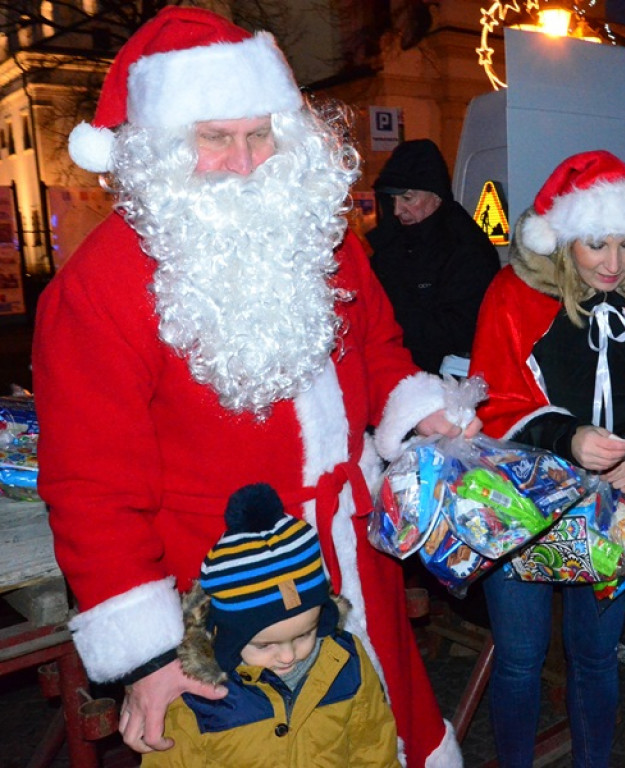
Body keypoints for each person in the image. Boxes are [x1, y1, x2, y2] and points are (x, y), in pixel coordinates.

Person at [33, 8, 468, 766]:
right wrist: (148, 655)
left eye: (260, 133)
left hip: (351, 552)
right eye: (214, 138)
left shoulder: (317, 232)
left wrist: (418, 410)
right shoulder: (99, 287)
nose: (245, 161)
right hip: (225, 593)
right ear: (162, 148)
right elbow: (91, 487)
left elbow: (377, 345)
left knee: (380, 734)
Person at [468, 150, 625, 766]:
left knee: (596, 655)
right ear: (565, 236)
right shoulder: (513, 295)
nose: (614, 263)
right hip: (521, 500)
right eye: (596, 245)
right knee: (521, 659)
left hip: (612, 507)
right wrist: (566, 437)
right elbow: (491, 402)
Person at [143, 483, 399, 767]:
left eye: (305, 634)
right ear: (228, 636)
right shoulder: (197, 697)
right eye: (265, 645)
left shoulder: (347, 665)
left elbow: (373, 748)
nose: (289, 655)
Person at [367, 139, 500, 374]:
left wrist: (393, 322)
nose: (397, 210)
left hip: (444, 380)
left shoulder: (466, 248)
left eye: (407, 198)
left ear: (436, 195)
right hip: (393, 370)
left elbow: (463, 329)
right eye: (392, 200)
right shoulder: (391, 243)